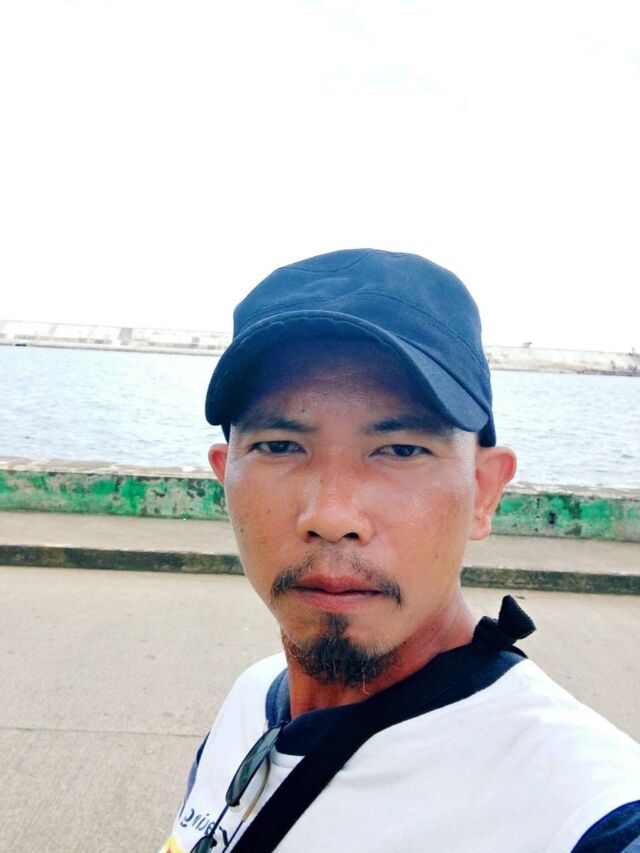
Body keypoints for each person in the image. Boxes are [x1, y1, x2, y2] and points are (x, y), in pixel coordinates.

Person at [160, 249, 640, 853]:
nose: (332, 517)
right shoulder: (252, 700)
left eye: (402, 450)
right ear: (224, 480)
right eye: (279, 446)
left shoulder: (582, 811)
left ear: (484, 493)